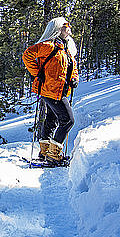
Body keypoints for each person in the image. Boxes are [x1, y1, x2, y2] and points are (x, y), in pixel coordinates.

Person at [22, 17, 79, 163]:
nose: (69, 27)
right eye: (66, 25)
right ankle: (54, 156)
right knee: (68, 120)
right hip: (51, 89)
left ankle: (45, 152)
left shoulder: (65, 47)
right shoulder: (48, 45)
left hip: (59, 90)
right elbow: (27, 55)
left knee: (52, 119)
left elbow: (72, 66)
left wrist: (74, 78)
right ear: (59, 28)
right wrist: (37, 72)